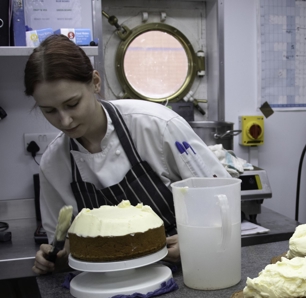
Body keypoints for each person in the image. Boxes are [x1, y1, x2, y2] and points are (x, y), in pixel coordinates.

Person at [26, 34, 230, 275]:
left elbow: (223, 200)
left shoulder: (156, 126)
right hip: (108, 288)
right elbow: (62, 243)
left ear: (95, 82)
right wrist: (55, 259)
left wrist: (196, 241)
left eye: (72, 104)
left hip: (183, 276)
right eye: (49, 111)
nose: (64, 120)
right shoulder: (53, 164)